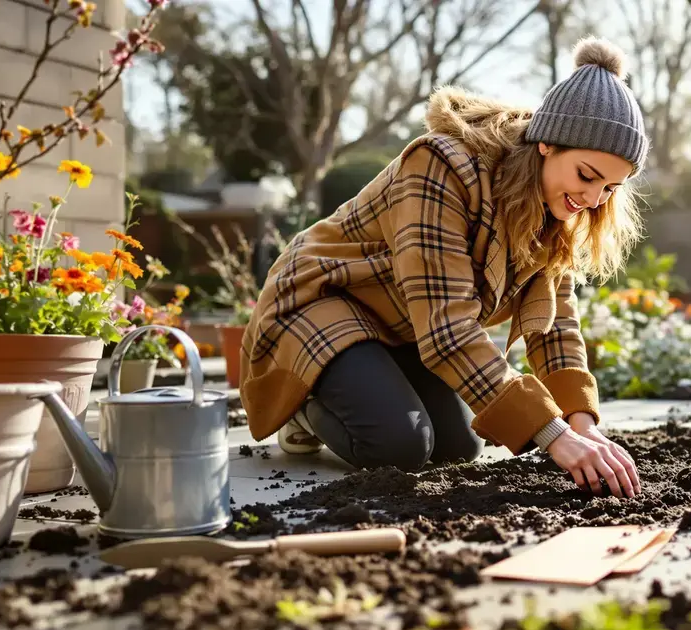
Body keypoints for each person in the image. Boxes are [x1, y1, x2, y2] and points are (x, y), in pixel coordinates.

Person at [238, 37, 648, 498]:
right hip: (324, 300)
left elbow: (555, 325)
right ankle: (302, 403)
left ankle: (362, 384)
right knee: (398, 446)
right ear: (547, 143)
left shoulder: (556, 208)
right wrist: (556, 437)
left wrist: (581, 423)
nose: (592, 199)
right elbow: (447, 327)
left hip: (398, 325)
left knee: (459, 445)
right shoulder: (441, 166)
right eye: (587, 176)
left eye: (610, 188)